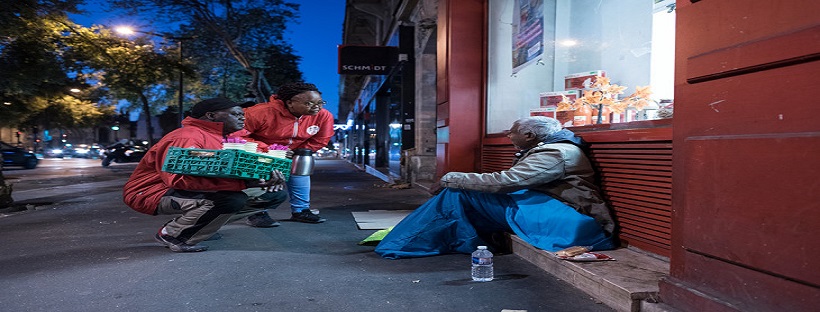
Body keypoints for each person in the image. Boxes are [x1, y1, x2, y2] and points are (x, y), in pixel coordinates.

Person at [374, 116, 616, 259]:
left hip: (572, 223)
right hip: (552, 211)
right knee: (463, 194)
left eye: (512, 131)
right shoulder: (548, 148)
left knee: (458, 193)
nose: (508, 134)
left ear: (530, 135)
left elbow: (507, 182)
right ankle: (414, 240)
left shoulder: (556, 153)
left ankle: (403, 243)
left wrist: (450, 178)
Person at [123, 97, 288, 252]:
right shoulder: (187, 137)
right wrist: (243, 184)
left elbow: (232, 169)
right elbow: (178, 179)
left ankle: (200, 225)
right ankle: (173, 234)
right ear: (211, 115)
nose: (242, 118)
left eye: (242, 115)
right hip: (151, 192)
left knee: (272, 194)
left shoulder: (225, 139)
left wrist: (264, 177)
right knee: (231, 199)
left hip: (188, 189)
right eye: (235, 114)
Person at [235, 82, 335, 224]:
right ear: (290, 102)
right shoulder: (259, 112)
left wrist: (298, 152)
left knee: (301, 166)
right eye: (309, 103)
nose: (316, 107)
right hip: (263, 154)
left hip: (293, 153)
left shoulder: (323, 116)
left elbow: (321, 139)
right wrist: (268, 150)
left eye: (320, 102)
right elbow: (237, 136)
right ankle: (257, 213)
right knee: (264, 176)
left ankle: (301, 210)